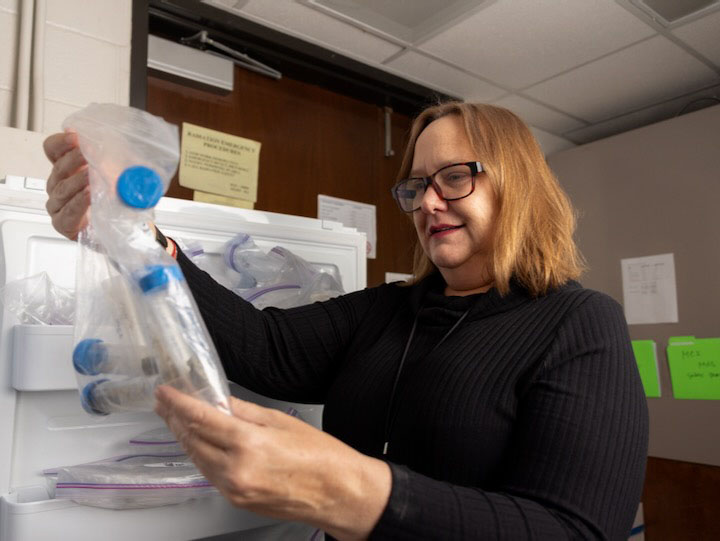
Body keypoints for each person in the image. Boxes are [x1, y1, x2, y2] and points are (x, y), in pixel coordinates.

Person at [44, 102, 649, 540]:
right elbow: (265, 348)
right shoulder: (388, 311)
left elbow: (574, 528)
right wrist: (139, 233)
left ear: (516, 185)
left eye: (455, 177)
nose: (429, 202)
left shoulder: (578, 323)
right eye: (416, 186)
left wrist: (356, 490)